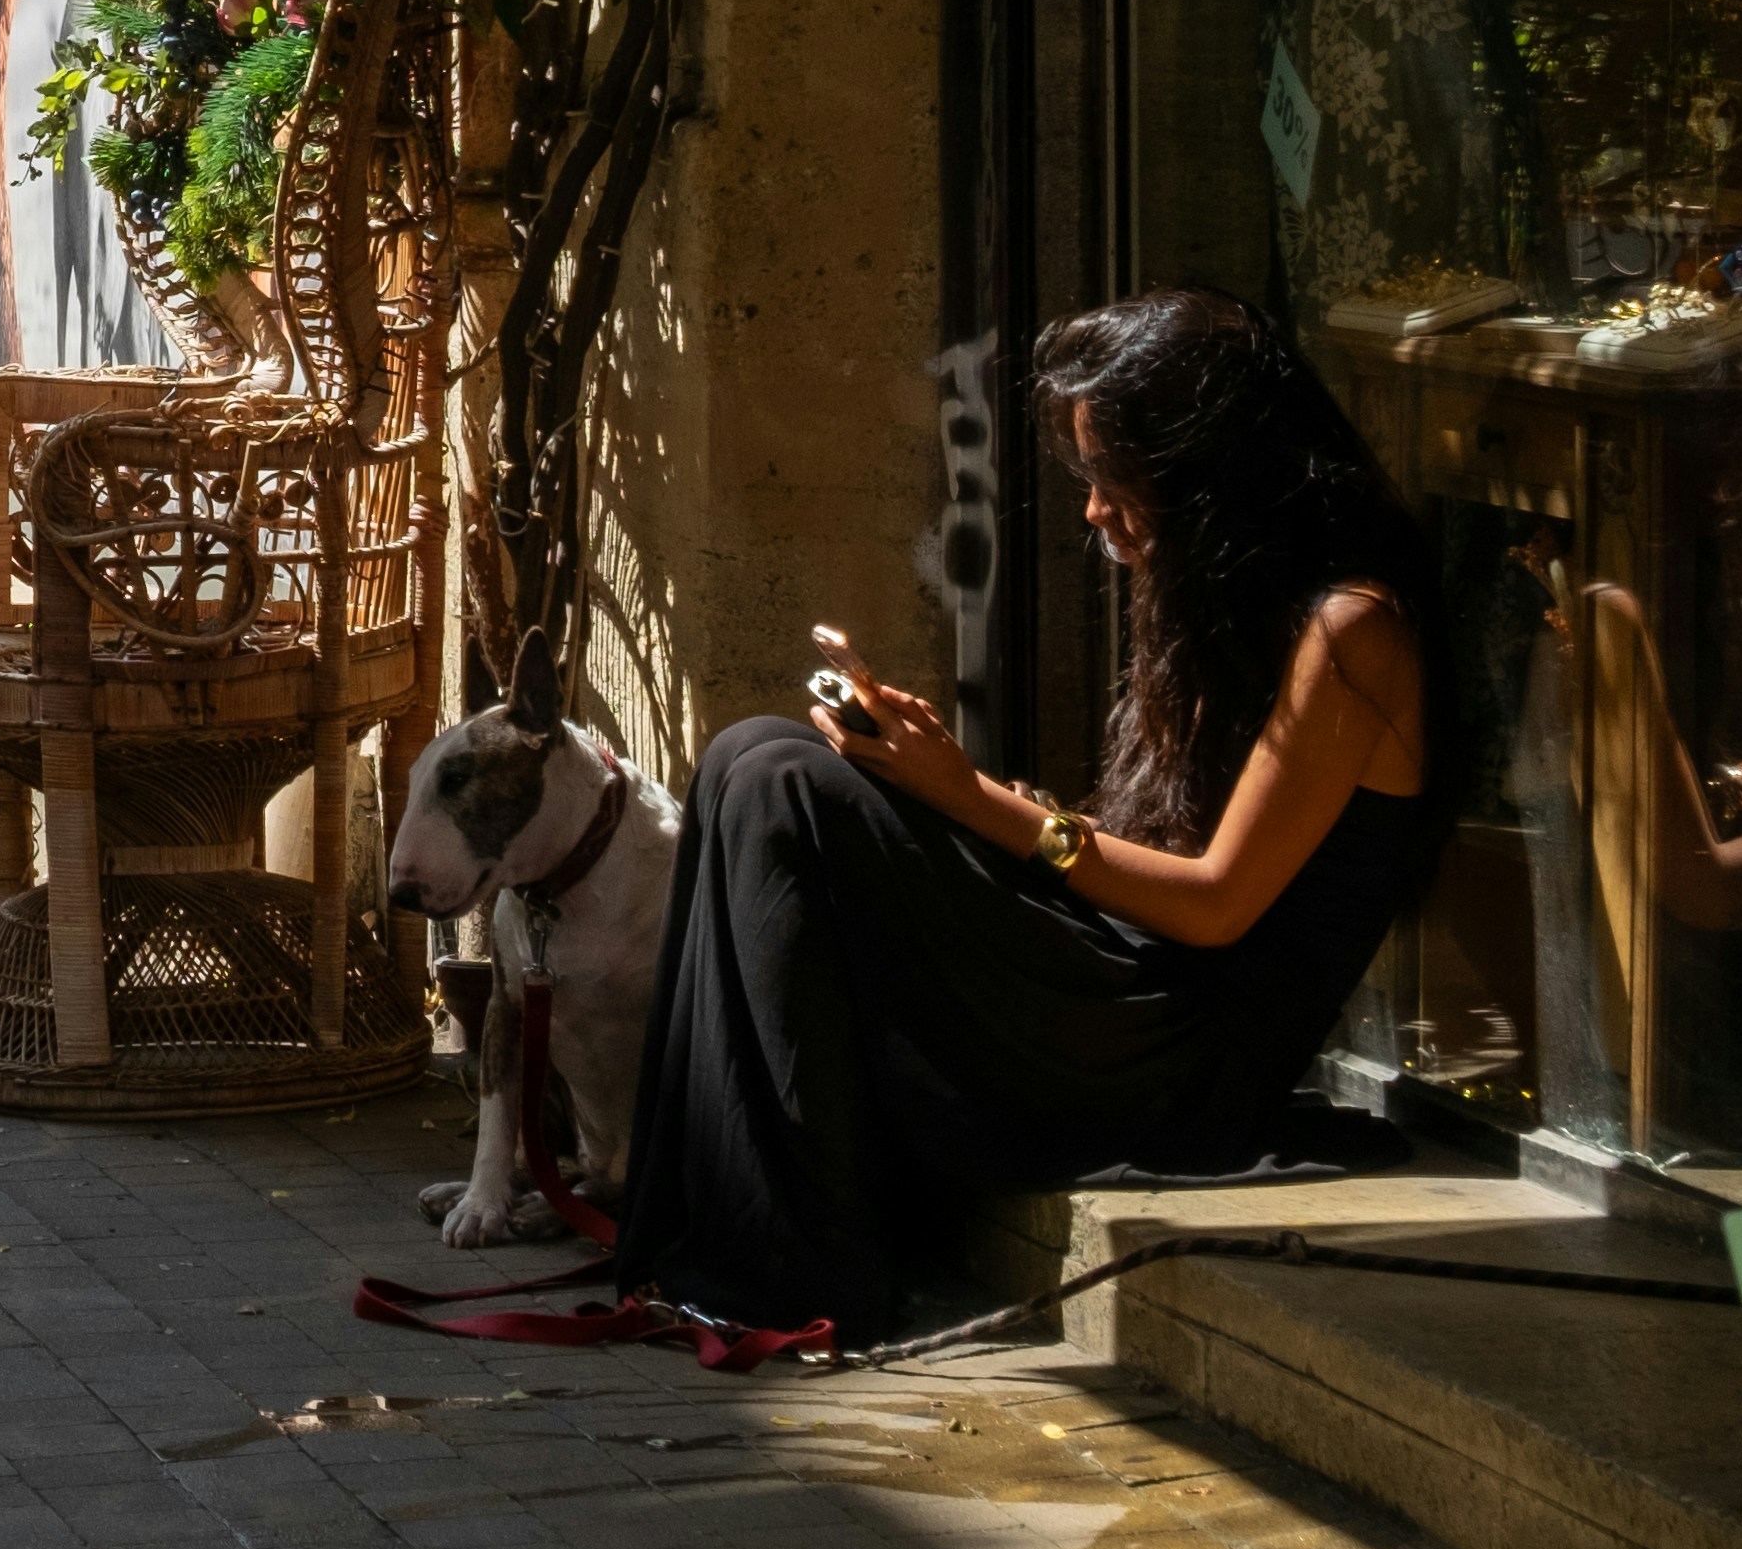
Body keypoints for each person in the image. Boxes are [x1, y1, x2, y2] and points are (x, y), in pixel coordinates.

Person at [607, 288, 1460, 1347]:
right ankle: (714, 1226)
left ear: (1208, 476)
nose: (1095, 513)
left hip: (1182, 1049)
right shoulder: (1222, 594)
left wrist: (969, 798)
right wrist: (940, 780)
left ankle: (796, 1267)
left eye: (1112, 480)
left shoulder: (1354, 631)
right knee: (754, 755)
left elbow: (1216, 907)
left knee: (793, 793)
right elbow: (1143, 843)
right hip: (1126, 977)